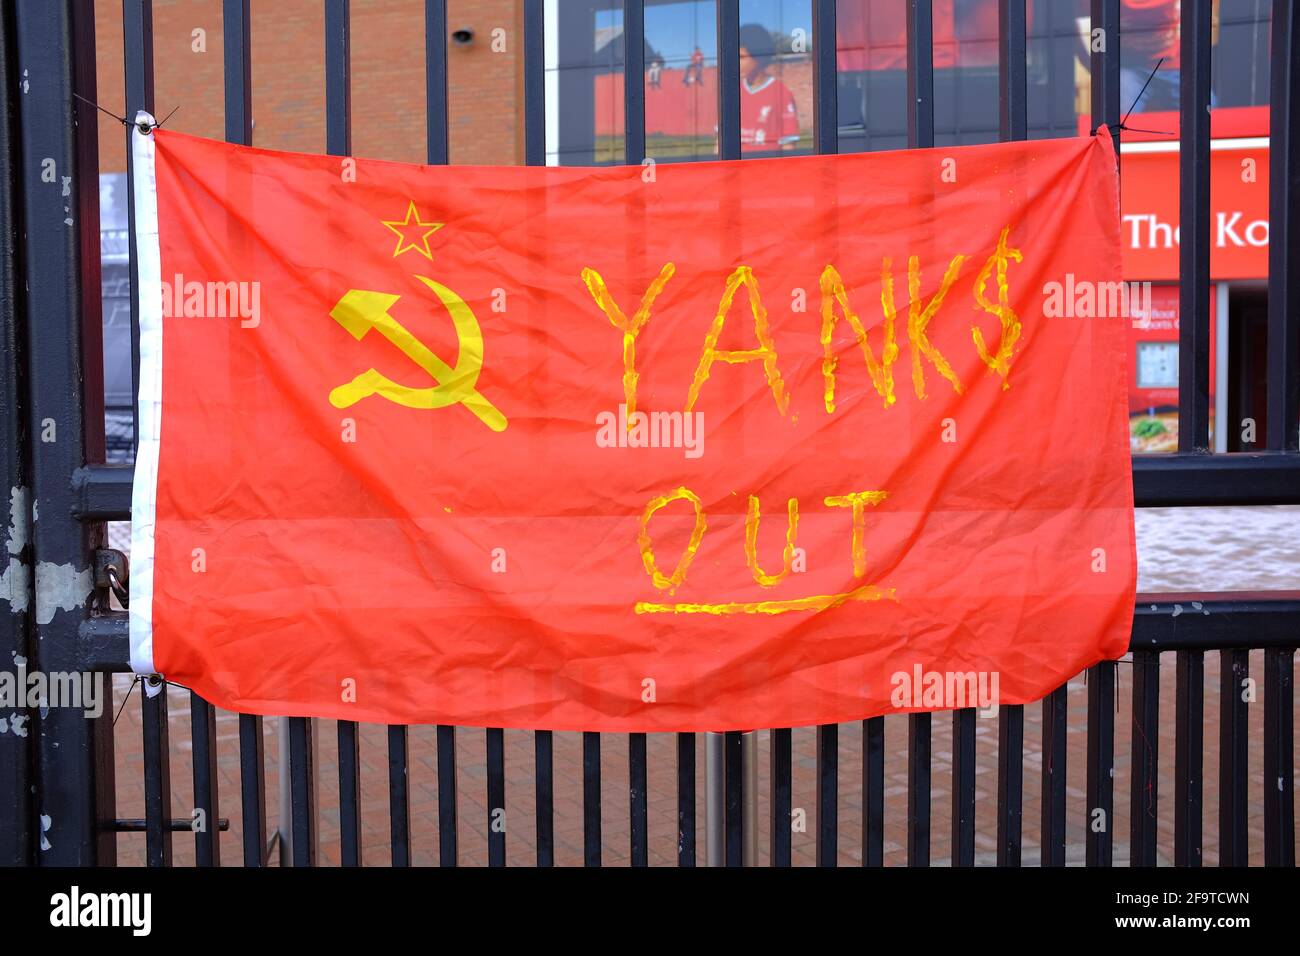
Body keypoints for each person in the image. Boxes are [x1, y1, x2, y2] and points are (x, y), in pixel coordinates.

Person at [737, 24, 799, 151]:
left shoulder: (781, 93)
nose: (736, 62)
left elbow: (788, 145)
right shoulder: (732, 93)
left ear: (758, 57)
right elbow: (719, 143)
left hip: (767, 169)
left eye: (742, 57)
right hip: (737, 170)